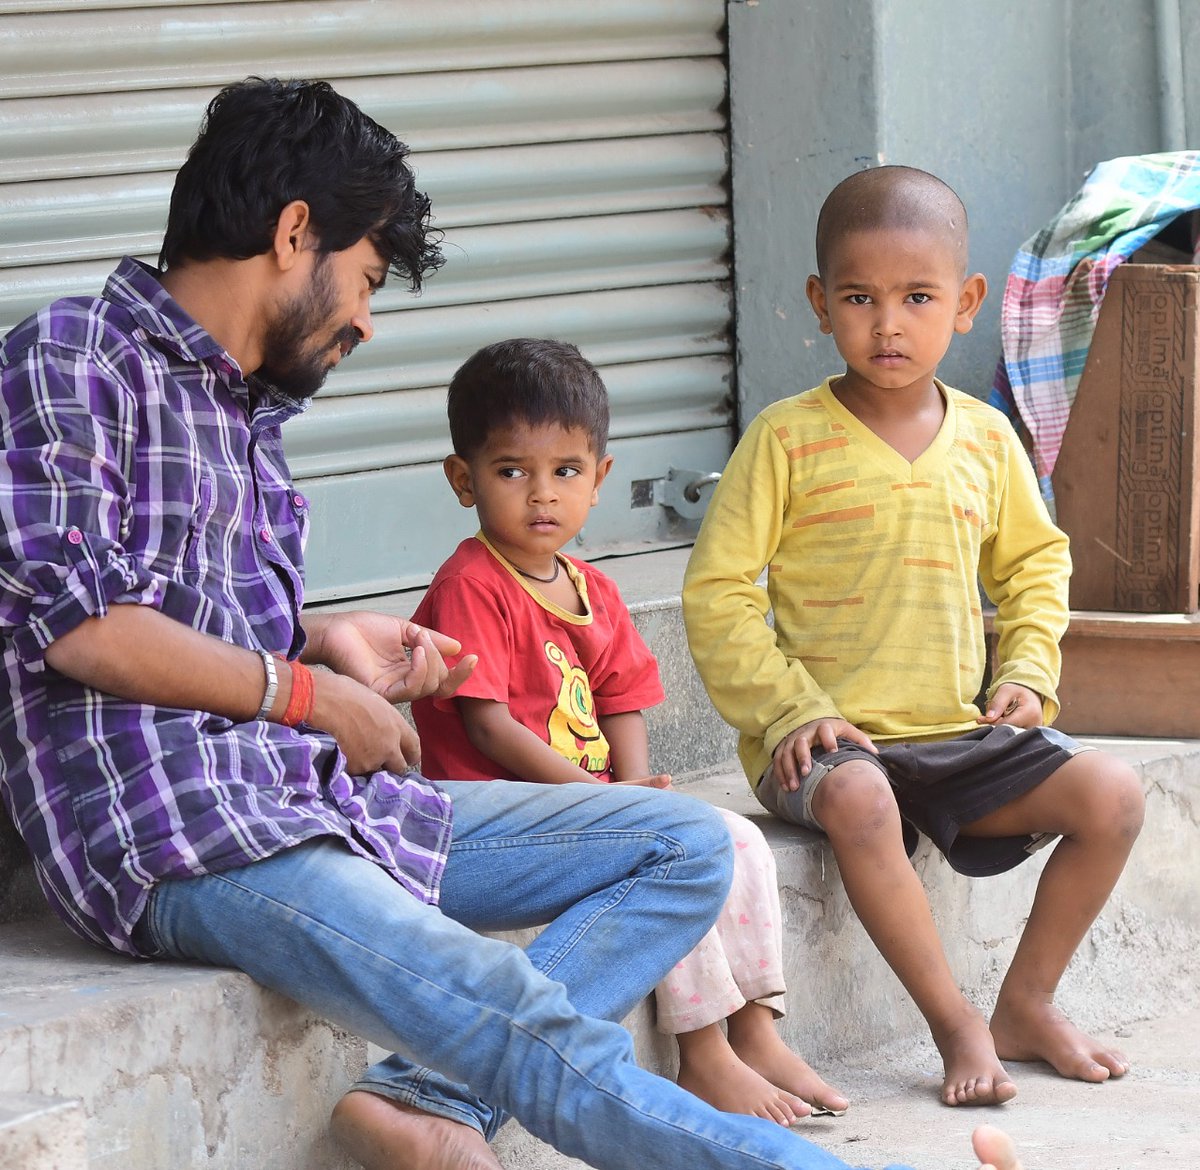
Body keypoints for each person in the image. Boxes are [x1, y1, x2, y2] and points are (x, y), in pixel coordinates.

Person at [0, 76, 1029, 1170]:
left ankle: (427, 1103)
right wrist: (304, 694)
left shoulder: (247, 408)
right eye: (364, 276)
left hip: (304, 797)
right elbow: (81, 628)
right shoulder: (69, 358)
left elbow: (182, 608)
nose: (365, 316)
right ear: (295, 232)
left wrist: (319, 642)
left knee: (685, 845)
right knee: (500, 999)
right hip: (181, 840)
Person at [682, 164, 1146, 1111]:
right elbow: (717, 593)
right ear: (819, 302)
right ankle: (955, 1024)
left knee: (1113, 792)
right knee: (858, 797)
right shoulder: (784, 439)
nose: (887, 325)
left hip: (953, 736)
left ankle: (1025, 1002)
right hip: (823, 747)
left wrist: (1024, 669)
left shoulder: (984, 439)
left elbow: (1034, 564)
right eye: (859, 297)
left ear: (967, 303)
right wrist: (791, 708)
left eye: (917, 297)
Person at [409, 337, 850, 1128]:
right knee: (662, 859)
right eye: (512, 471)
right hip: (504, 817)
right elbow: (488, 725)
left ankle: (756, 1029)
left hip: (589, 807)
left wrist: (636, 789)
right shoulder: (471, 584)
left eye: (565, 473)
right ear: (462, 478)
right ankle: (704, 1052)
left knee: (731, 841)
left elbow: (622, 700)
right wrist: (605, 801)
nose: (541, 495)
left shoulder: (594, 590)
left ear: (600, 479)